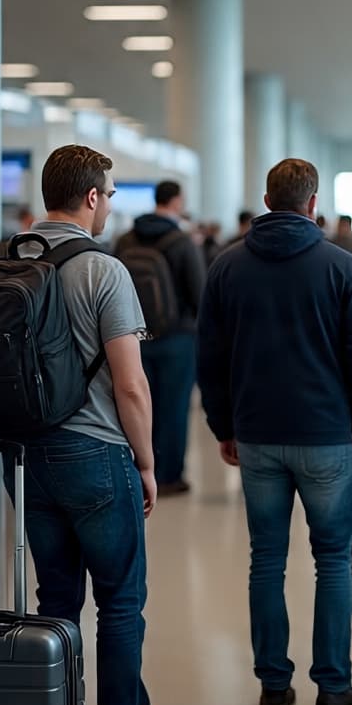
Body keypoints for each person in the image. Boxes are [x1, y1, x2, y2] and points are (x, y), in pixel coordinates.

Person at [0, 145, 190, 705]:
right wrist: (148, 464)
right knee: (121, 603)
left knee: (55, 603)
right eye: (111, 194)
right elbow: (131, 386)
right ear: (92, 196)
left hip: (24, 454)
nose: (111, 204)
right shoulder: (105, 270)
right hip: (96, 454)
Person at [197, 159, 352, 705]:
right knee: (334, 560)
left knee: (267, 561)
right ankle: (332, 687)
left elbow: (211, 358)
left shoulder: (227, 267)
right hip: (326, 434)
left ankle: (274, 685)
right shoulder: (341, 267)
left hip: (257, 435)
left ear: (266, 199)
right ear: (312, 202)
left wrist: (223, 426)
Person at [113, 180, 205, 497]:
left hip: (131, 338)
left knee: (135, 405)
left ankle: (137, 471)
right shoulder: (181, 242)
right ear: (177, 202)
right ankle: (168, 477)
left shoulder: (126, 239)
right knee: (174, 409)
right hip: (176, 338)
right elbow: (199, 293)